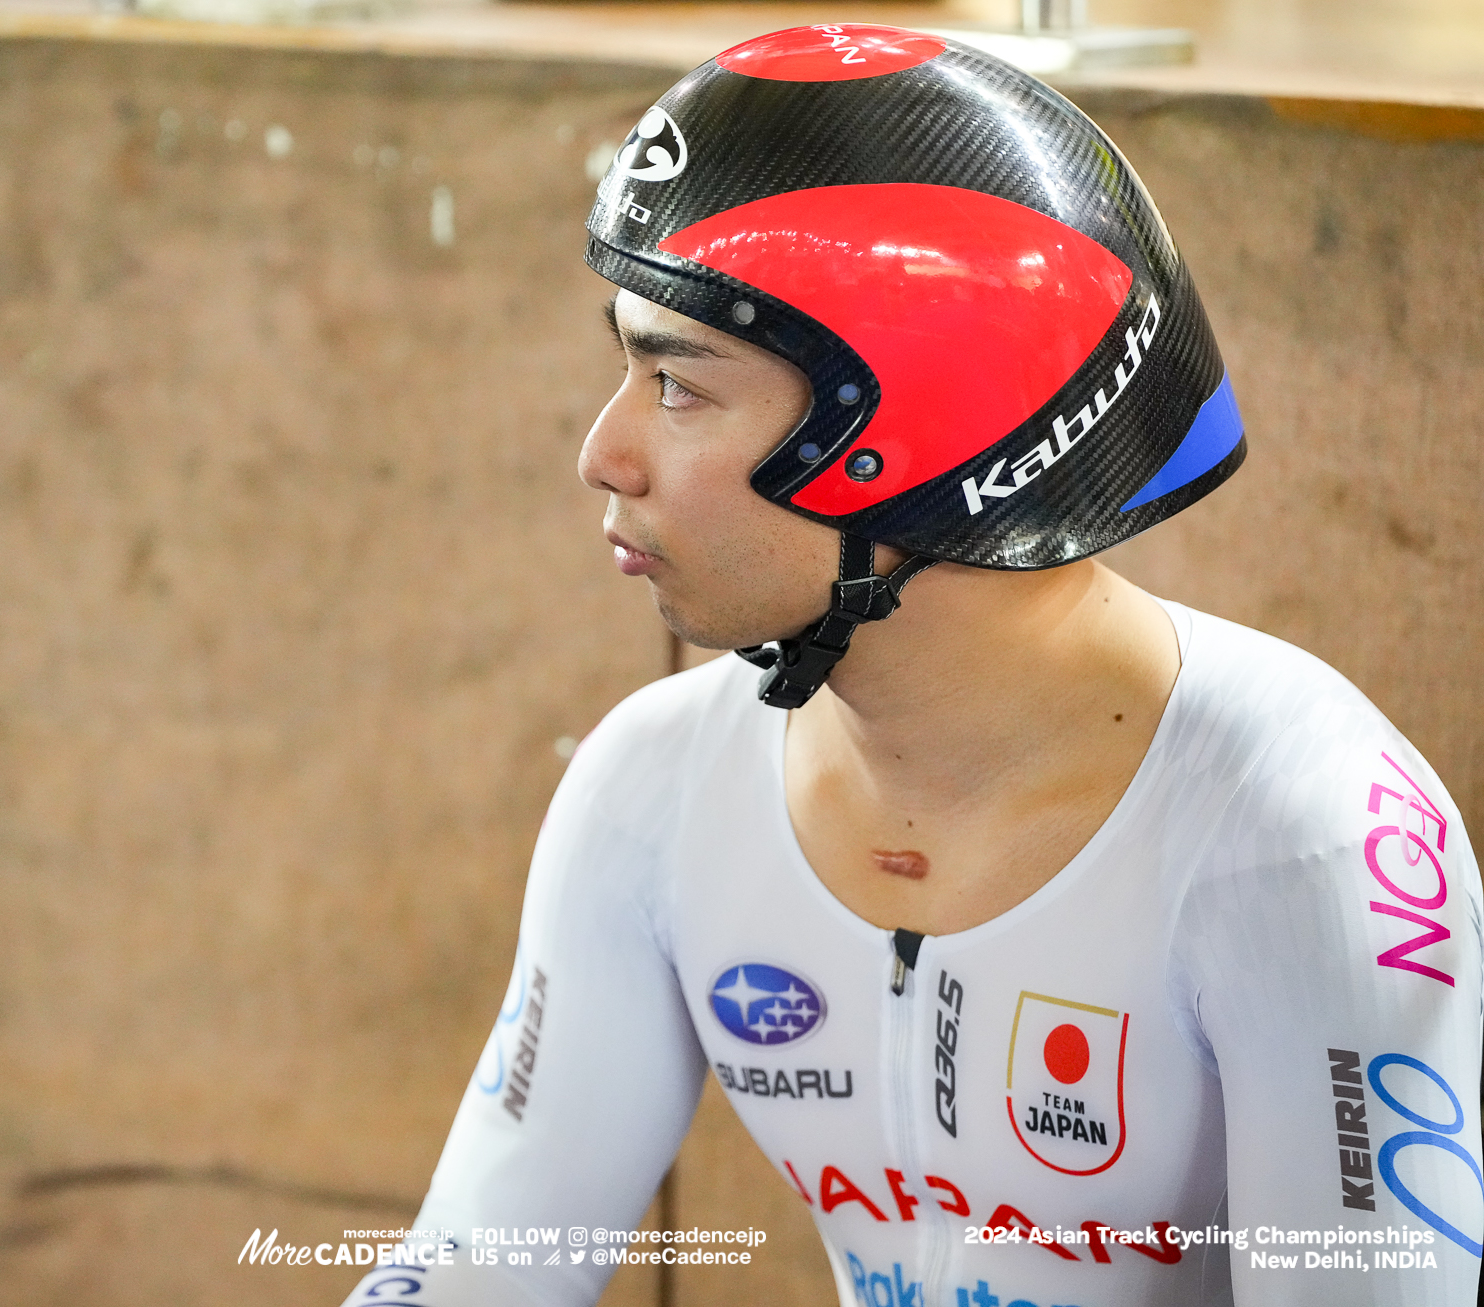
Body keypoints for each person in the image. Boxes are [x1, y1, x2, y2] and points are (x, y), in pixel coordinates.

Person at [343, 24, 1481, 1307]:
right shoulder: (648, 785)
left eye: (678, 384)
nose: (603, 453)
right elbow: (482, 1266)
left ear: (918, 433)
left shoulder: (1307, 837)